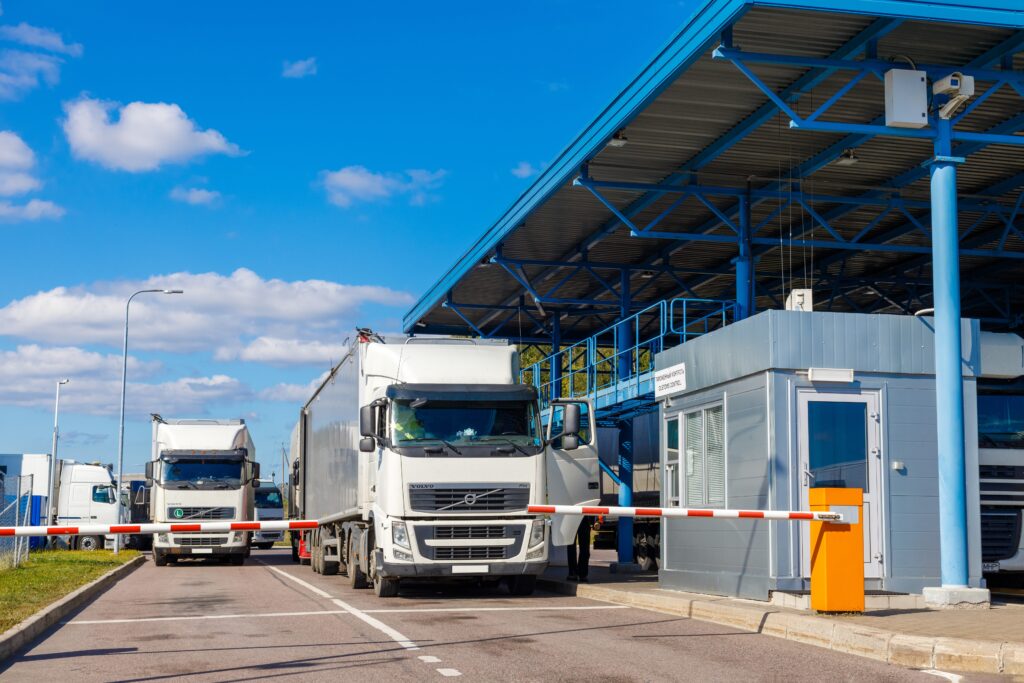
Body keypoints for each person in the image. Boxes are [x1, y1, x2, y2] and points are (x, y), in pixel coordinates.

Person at [566, 515, 593, 582]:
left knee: (571, 546)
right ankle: (582, 574)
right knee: (584, 546)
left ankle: (573, 573)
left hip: (572, 516)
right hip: (584, 516)